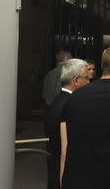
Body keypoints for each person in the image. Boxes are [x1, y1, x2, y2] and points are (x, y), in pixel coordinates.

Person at [60, 46, 110, 189]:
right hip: (109, 178)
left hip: (75, 176)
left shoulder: (75, 96)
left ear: (103, 65)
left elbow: (65, 145)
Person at [45, 59, 90, 189]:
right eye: (86, 78)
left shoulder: (58, 100)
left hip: (55, 161)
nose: (89, 82)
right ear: (75, 80)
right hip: (66, 167)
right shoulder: (72, 105)